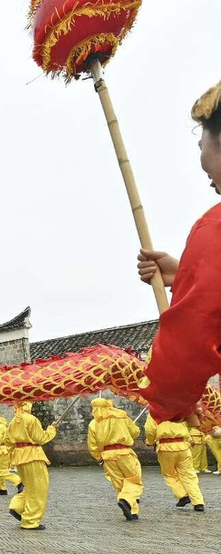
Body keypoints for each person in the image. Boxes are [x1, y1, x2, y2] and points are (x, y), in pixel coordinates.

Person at [136, 79, 221, 423]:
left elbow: (190, 339)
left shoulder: (213, 230)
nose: (201, 159)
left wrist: (171, 400)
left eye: (202, 143)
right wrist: (188, 272)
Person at [86, 398, 144, 521]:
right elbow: (135, 433)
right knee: (134, 479)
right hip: (124, 453)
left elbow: (92, 445)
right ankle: (126, 500)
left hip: (108, 456)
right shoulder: (121, 417)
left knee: (119, 484)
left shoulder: (93, 423)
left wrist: (98, 457)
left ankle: (132, 510)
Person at [5, 401, 56, 530]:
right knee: (39, 489)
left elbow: (8, 442)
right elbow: (41, 438)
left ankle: (17, 506)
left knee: (30, 487)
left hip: (20, 458)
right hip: (33, 456)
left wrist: (15, 456)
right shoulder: (31, 419)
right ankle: (30, 521)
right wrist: (52, 429)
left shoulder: (12, 422)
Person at [145, 415, 205, 511]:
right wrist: (189, 439)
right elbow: (187, 425)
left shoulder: (155, 411)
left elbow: (150, 429)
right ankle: (198, 502)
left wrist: (150, 441)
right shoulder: (179, 408)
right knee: (189, 474)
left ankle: (182, 495)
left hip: (166, 447)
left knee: (169, 474)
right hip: (183, 446)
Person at [0, 411, 22, 496]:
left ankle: (19, 482)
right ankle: (2, 488)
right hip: (3, 450)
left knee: (2, 472)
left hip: (1, 451)